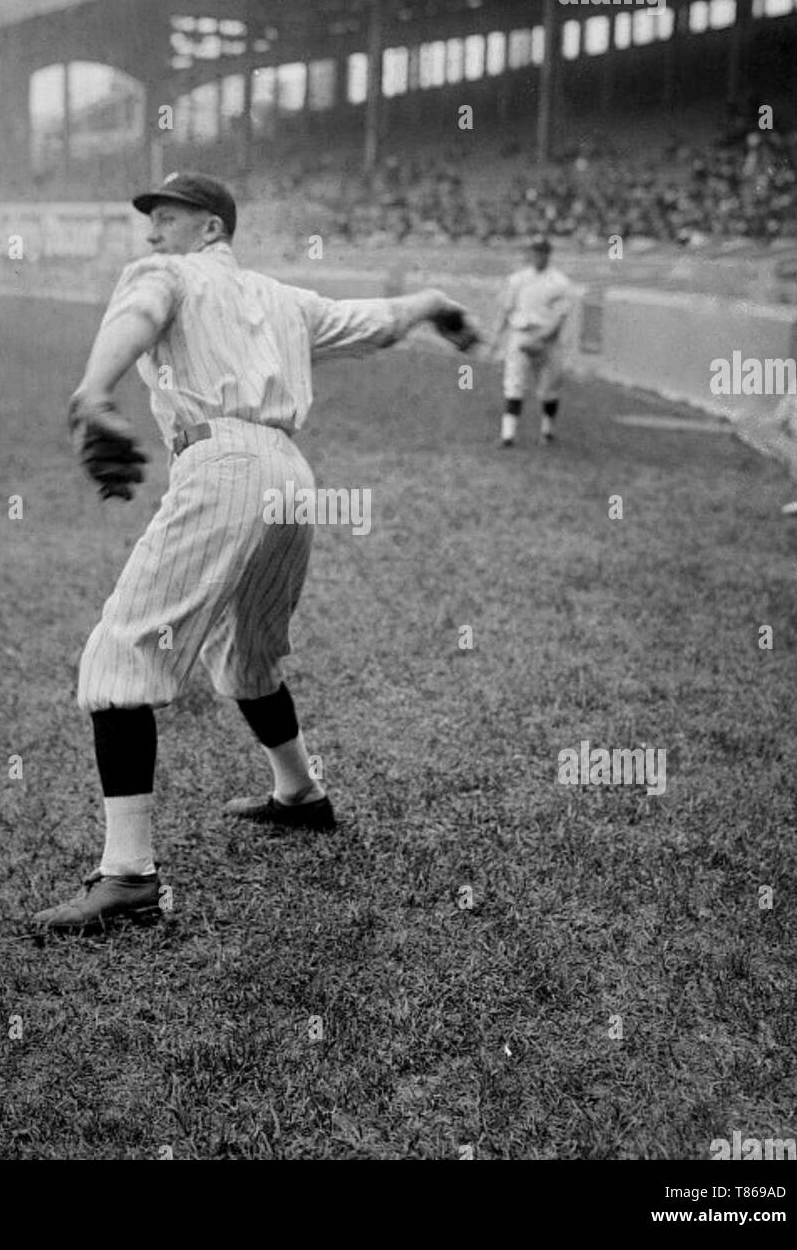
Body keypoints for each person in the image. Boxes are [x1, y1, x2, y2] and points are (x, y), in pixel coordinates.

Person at [33, 171, 478, 932]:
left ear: (212, 229)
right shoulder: (286, 300)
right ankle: (300, 793)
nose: (152, 233)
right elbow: (375, 322)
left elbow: (138, 310)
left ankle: (128, 875)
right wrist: (433, 304)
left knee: (121, 656)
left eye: (167, 218)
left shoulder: (167, 273)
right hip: (289, 476)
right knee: (249, 652)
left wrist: (93, 393)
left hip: (223, 464)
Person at [492, 235, 573, 447]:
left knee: (549, 387)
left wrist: (543, 337)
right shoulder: (518, 279)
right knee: (514, 384)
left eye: (542, 251)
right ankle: (508, 435)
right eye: (535, 251)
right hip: (521, 333)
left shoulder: (560, 282)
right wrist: (496, 337)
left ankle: (547, 431)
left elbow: (560, 317)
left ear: (548, 254)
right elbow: (506, 309)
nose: (538, 255)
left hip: (547, 338)